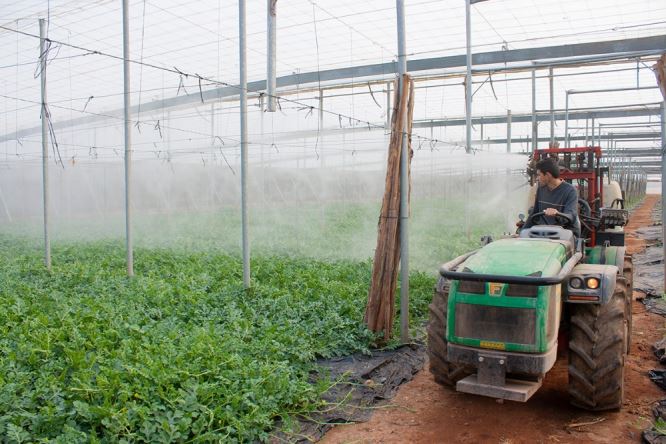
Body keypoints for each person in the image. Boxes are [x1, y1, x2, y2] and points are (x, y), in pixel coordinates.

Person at [522, 157, 579, 235]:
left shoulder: (570, 191)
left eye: (539, 175)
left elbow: (571, 216)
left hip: (563, 233)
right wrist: (522, 232)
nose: (537, 178)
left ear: (548, 175)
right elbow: (534, 212)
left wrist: (557, 214)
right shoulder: (541, 189)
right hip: (544, 232)